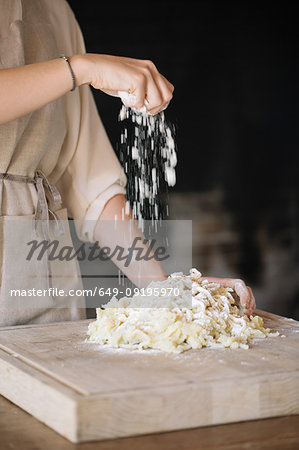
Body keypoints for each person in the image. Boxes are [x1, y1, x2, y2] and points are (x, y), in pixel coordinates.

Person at [0, 0, 255, 327]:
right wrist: (81, 68)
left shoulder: (53, 11)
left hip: (43, 281)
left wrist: (163, 290)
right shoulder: (78, 64)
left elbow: (89, 180)